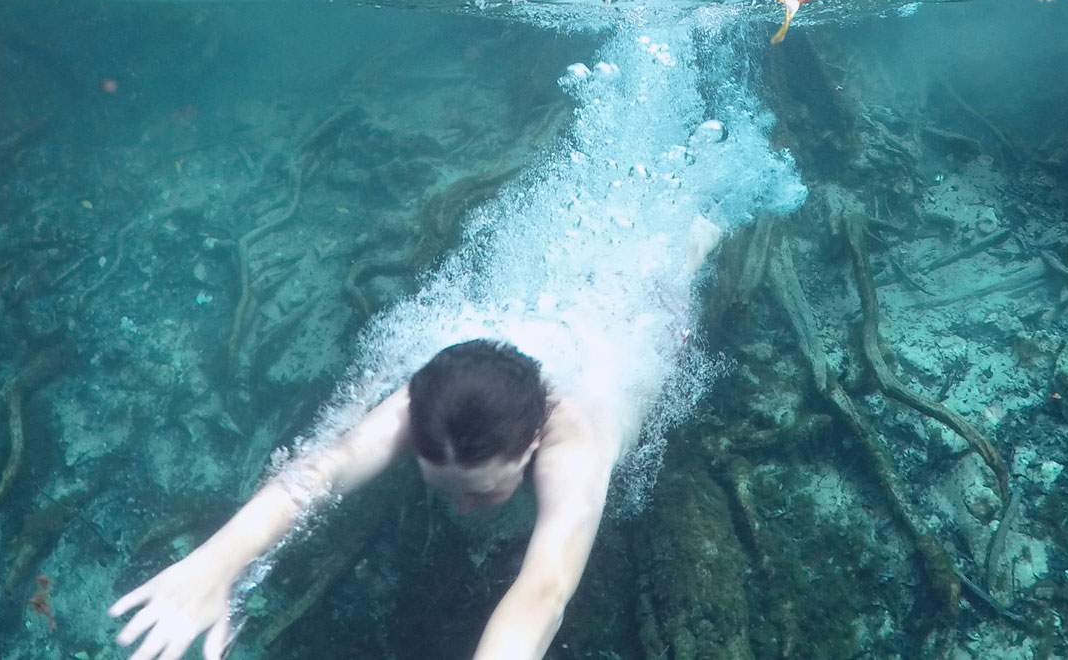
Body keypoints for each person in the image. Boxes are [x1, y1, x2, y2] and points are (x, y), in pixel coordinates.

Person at [110, 219, 725, 660]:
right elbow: (322, 469)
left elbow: (544, 589)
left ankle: (700, 230)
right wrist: (215, 563)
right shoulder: (427, 395)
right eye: (444, 487)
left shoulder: (577, 442)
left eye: (482, 494)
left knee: (673, 270)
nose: (459, 508)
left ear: (532, 443)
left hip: (638, 323)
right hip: (548, 325)